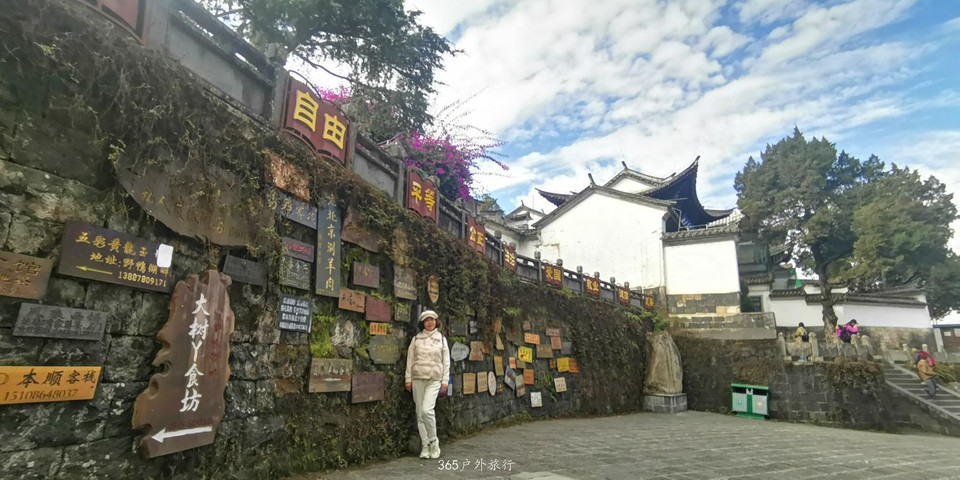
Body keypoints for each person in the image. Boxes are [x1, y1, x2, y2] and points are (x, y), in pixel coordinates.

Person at [404, 310, 450, 460]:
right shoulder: (416, 339)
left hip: (434, 378)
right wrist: (408, 378)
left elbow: (446, 362)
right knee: (420, 414)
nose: (430, 322)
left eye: (432, 320)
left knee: (427, 410)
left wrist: (445, 381)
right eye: (426, 320)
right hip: (418, 377)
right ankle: (425, 445)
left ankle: (434, 442)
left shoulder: (441, 339)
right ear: (422, 323)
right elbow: (410, 360)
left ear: (436, 322)